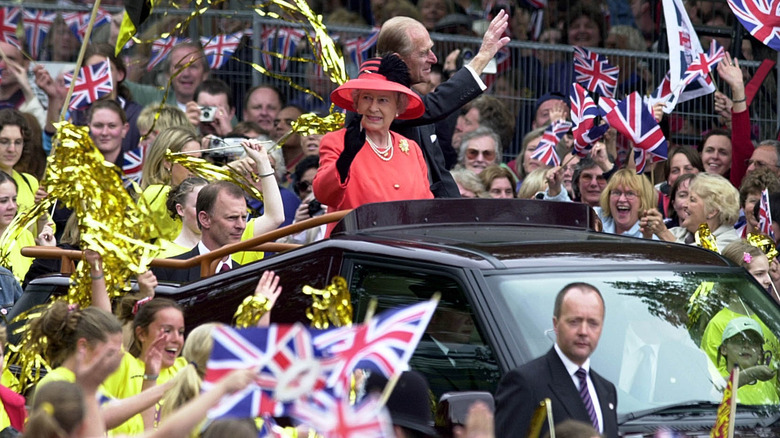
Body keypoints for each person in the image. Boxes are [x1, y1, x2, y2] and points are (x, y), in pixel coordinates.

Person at [376, 11, 510, 198]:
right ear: (400, 59)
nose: (434, 59)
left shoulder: (414, 97)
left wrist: (457, 215)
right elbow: (433, 106)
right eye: (424, 53)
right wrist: (481, 58)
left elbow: (439, 175)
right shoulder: (375, 95)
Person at [313, 54, 432, 236]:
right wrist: (346, 157)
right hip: (356, 252)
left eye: (383, 100)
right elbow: (324, 194)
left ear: (398, 107)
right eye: (367, 98)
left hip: (405, 251)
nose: (373, 108)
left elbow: (425, 209)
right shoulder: (337, 141)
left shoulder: (411, 149)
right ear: (357, 103)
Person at [495, 282, 618, 437]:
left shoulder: (607, 390)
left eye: (593, 323)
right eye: (574, 321)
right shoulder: (525, 383)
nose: (583, 331)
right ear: (556, 324)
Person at [643, 173, 740, 250]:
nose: (685, 205)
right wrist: (648, 237)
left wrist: (664, 234)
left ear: (712, 211)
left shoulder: (730, 243)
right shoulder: (675, 233)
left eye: (692, 200)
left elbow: (697, 265)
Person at [717, 317, 779, 405]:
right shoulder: (714, 377)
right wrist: (751, 373)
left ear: (760, 353)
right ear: (724, 349)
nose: (746, 345)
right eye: (739, 340)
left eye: (753, 341)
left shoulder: (767, 387)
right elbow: (711, 391)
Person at [595, 168, 657, 238]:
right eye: (616, 192)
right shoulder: (597, 216)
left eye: (630, 193)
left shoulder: (652, 235)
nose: (621, 199)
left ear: (643, 200)